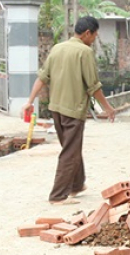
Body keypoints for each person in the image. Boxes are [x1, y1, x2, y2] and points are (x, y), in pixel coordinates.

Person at [22, 16, 116, 205]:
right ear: (87, 33)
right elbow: (93, 86)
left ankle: (77, 185)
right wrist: (108, 108)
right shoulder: (84, 52)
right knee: (69, 152)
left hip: (56, 108)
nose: (94, 40)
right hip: (74, 109)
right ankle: (57, 195)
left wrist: (30, 101)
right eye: (94, 35)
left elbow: (42, 77)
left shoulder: (58, 48)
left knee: (71, 147)